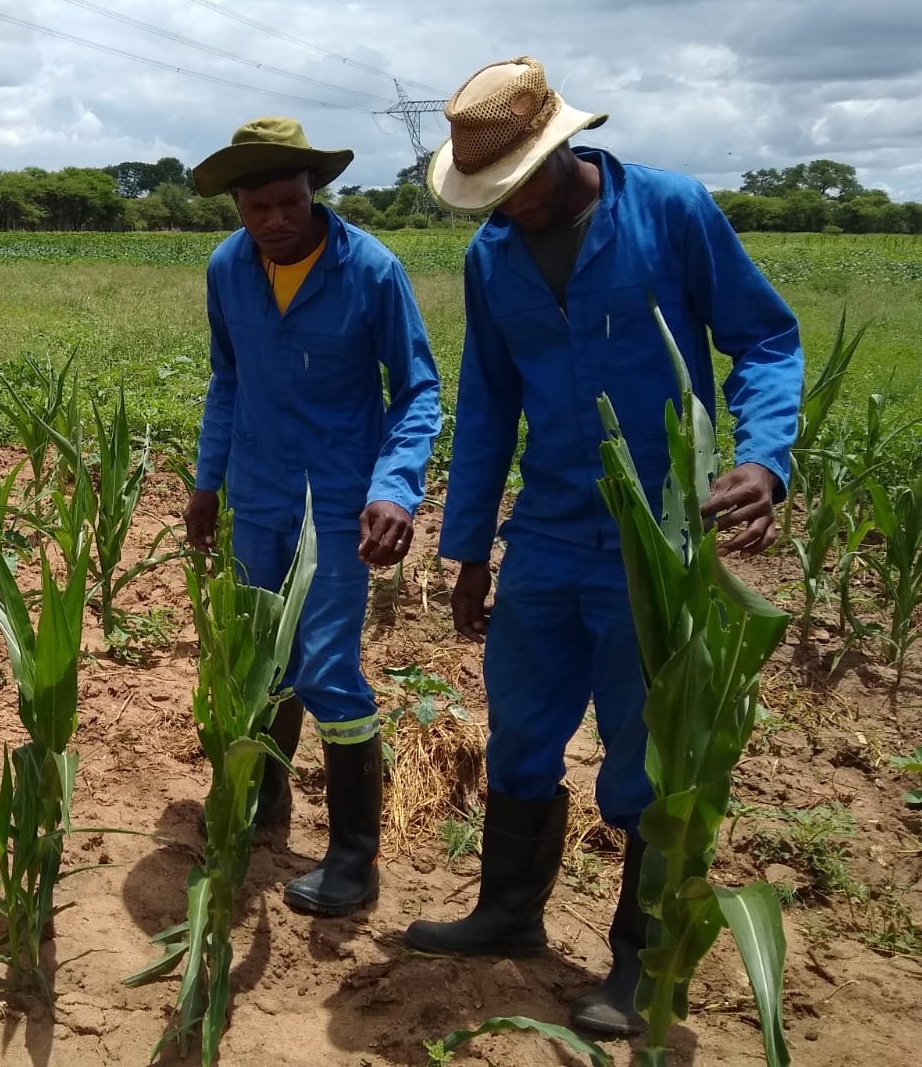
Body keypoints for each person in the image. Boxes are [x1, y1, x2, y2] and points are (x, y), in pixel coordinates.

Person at [404, 57, 804, 1035]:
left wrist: (766, 458)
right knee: (524, 732)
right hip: (544, 530)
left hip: (660, 540)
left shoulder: (670, 213)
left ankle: (639, 959)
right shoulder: (492, 257)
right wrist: (467, 550)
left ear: (562, 149)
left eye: (517, 187)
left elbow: (766, 339)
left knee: (646, 754)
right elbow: (491, 404)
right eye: (486, 196)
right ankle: (508, 913)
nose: (505, 210)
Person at [185, 117, 443, 917]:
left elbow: (417, 389)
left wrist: (395, 489)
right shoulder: (228, 268)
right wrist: (207, 480)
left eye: (288, 201)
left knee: (327, 668)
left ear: (312, 192)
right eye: (256, 206)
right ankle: (265, 802)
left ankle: (353, 857)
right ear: (235, 205)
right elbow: (227, 379)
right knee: (258, 656)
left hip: (338, 502)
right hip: (257, 490)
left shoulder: (370, 269)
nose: (274, 220)